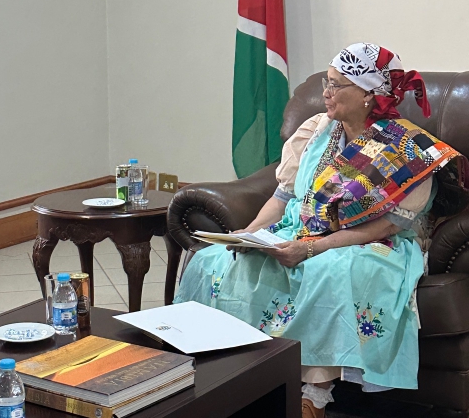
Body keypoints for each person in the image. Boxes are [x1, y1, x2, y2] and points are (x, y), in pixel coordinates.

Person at [175, 43, 468, 418]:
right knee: (214, 260)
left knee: (328, 270)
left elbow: (384, 226)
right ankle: (232, 374)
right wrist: (247, 234)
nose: (326, 93)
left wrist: (313, 249)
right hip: (297, 230)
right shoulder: (314, 132)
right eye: (326, 83)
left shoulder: (406, 150)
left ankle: (314, 394)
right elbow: (281, 199)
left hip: (372, 242)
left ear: (368, 95)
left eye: (336, 85)